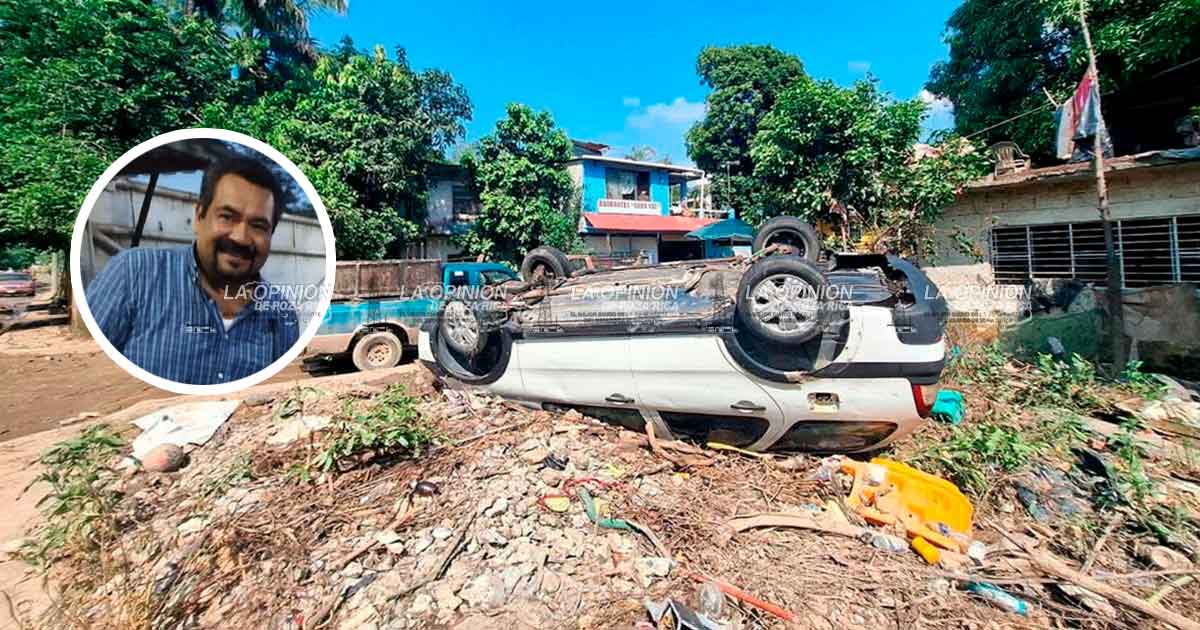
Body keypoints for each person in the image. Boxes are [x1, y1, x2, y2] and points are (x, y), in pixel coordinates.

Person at [86, 156, 300, 385]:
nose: (240, 237)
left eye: (258, 226)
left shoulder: (281, 315)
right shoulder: (135, 274)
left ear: (270, 236)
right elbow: (89, 372)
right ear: (199, 217)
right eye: (227, 217)